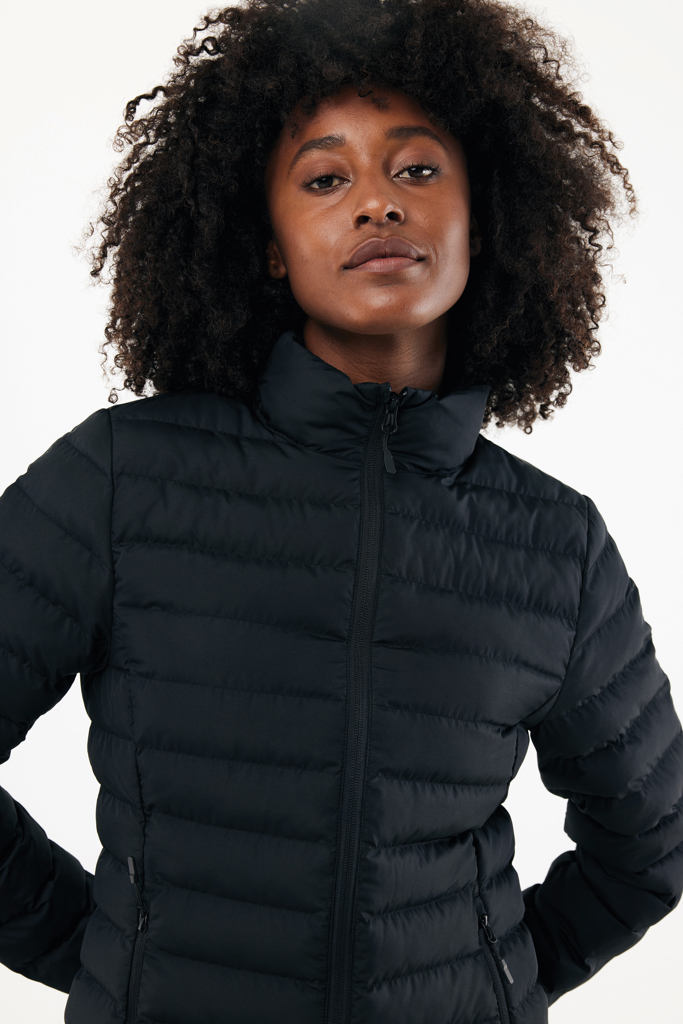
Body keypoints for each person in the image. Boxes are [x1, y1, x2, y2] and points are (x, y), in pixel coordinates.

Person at [0, 0, 681, 1022]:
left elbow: (652, 842)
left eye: (417, 170)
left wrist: (488, 981)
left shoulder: (553, 542)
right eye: (325, 179)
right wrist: (104, 953)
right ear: (270, 245)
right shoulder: (119, 478)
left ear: (482, 218)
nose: (377, 204)